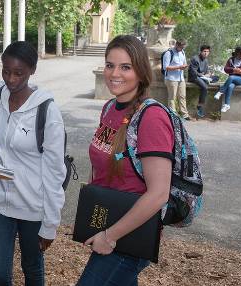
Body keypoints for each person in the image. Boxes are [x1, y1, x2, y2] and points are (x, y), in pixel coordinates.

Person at [0, 41, 66, 286]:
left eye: (19, 73)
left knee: (32, 268)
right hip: (0, 205)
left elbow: (54, 171)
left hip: (33, 207)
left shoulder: (47, 112)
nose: (11, 78)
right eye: (6, 71)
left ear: (32, 71)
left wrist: (50, 223)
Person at [78, 35, 172, 285]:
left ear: (141, 72)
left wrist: (110, 236)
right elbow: (100, 165)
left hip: (131, 235)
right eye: (110, 65)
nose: (114, 73)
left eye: (125, 67)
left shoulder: (151, 118)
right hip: (109, 224)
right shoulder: (109, 107)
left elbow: (159, 194)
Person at [214, 47, 241, 113]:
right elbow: (225, 69)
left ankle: (220, 92)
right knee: (230, 86)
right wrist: (233, 70)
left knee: (231, 77)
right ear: (238, 53)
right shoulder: (231, 60)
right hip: (231, 81)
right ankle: (227, 105)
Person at [163, 39, 191, 120]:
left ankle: (185, 114)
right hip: (171, 79)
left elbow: (184, 63)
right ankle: (173, 114)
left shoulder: (182, 52)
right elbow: (166, 67)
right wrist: (179, 67)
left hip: (180, 78)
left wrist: (185, 66)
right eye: (181, 47)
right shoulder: (169, 53)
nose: (182, 49)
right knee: (172, 97)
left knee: (182, 96)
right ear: (177, 45)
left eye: (183, 47)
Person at [188, 45, 213, 118]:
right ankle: (200, 105)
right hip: (194, 77)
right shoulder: (195, 59)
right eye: (204, 51)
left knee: (215, 78)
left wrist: (208, 74)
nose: (206, 53)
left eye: (207, 52)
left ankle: (207, 79)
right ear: (201, 52)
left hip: (202, 77)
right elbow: (194, 72)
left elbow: (206, 71)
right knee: (205, 87)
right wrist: (203, 76)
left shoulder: (206, 60)